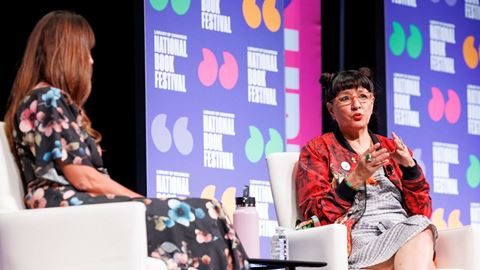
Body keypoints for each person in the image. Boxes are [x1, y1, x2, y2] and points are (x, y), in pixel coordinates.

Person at [3, 10, 248, 270]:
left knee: (212, 211)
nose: (90, 61)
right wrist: (140, 201)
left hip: (78, 210)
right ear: (67, 52)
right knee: (205, 211)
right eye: (86, 51)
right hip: (67, 213)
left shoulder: (48, 99)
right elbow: (82, 177)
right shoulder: (47, 98)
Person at [295, 68, 436, 269]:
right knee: (421, 237)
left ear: (372, 102)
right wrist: (355, 179)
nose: (356, 105)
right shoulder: (318, 150)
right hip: (360, 240)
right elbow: (315, 216)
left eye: (363, 96)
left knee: (420, 229)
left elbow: (421, 211)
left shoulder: (391, 148)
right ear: (331, 110)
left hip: (403, 230)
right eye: (345, 99)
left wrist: (410, 170)